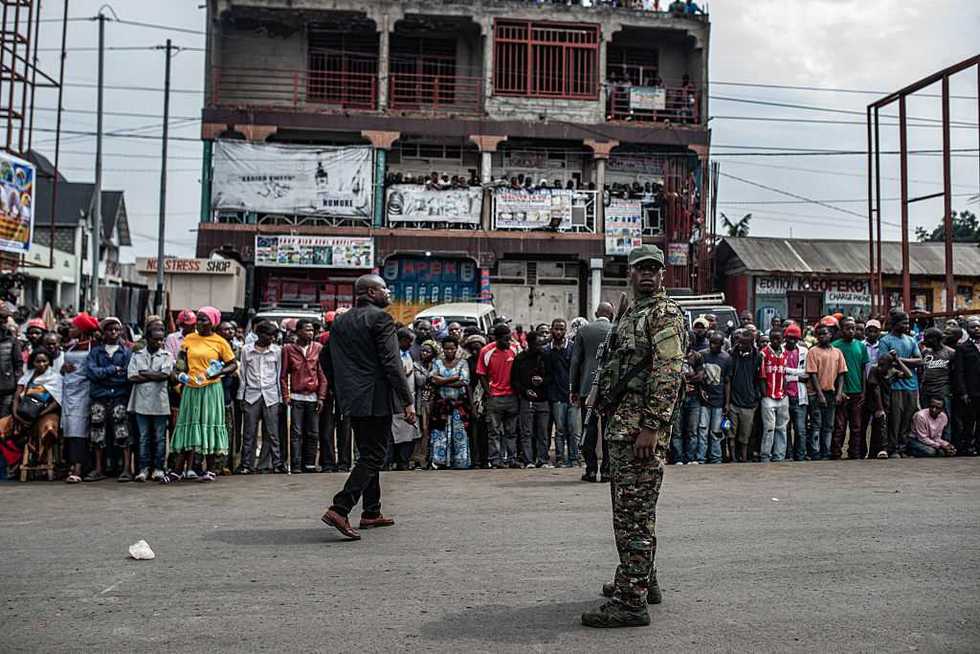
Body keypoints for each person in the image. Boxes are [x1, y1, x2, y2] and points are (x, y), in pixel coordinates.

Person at [582, 245, 685, 629]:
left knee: (633, 516)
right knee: (633, 511)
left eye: (653, 269)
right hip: (622, 425)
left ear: (662, 275)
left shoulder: (663, 314)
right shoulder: (632, 314)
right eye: (640, 268)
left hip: (639, 430)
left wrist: (652, 426)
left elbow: (668, 372)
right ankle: (643, 580)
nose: (647, 274)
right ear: (630, 273)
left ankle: (631, 602)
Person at [321, 274, 415, 541]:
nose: (389, 293)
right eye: (385, 288)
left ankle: (371, 512)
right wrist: (406, 400)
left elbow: (325, 359)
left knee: (367, 452)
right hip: (376, 397)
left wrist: (342, 388)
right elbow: (392, 363)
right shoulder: (381, 319)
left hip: (352, 397)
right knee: (375, 455)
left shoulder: (340, 321)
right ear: (371, 292)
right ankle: (340, 508)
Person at [165, 307, 238, 484]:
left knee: (209, 424)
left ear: (213, 322)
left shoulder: (220, 342)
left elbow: (232, 364)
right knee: (187, 425)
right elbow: (181, 362)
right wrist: (178, 374)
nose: (199, 323)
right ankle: (177, 470)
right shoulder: (189, 339)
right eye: (198, 319)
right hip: (191, 388)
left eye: (204, 320)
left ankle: (210, 469)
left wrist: (217, 373)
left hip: (211, 389)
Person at [84, 317, 133, 482]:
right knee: (97, 432)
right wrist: (113, 369)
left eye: (116, 330)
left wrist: (104, 375)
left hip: (119, 396)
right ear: (103, 332)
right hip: (99, 397)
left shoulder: (126, 352)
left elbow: (126, 376)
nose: (113, 332)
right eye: (109, 329)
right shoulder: (95, 352)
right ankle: (99, 468)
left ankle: (126, 469)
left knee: (123, 432)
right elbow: (91, 373)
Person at [570, 302, 614, 482]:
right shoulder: (616, 329)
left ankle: (590, 470)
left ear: (596, 313)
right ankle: (606, 471)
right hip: (610, 389)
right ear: (610, 315)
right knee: (608, 430)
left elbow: (575, 362)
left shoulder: (584, 330)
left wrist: (574, 387)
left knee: (588, 428)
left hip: (587, 387)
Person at [127, 324, 173, 482]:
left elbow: (165, 375)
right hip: (141, 402)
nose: (159, 343)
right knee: (143, 437)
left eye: (161, 340)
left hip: (160, 402)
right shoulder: (137, 354)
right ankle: (143, 468)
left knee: (160, 437)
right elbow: (132, 376)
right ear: (147, 339)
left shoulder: (167, 355)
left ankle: (159, 468)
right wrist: (155, 375)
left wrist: (144, 373)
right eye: (155, 340)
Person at [237, 321, 284, 474]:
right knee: (249, 433)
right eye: (268, 335)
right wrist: (241, 396)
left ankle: (273, 464)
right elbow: (242, 375)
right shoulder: (246, 351)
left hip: (271, 395)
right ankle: (246, 465)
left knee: (272, 433)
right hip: (251, 394)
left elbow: (278, 376)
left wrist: (281, 397)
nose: (271, 338)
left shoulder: (277, 351)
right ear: (259, 334)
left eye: (273, 335)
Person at [281, 318, 327, 473]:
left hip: (313, 396)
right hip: (296, 396)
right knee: (296, 432)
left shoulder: (318, 348)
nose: (311, 333)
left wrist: (321, 397)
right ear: (298, 331)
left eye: (312, 330)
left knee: (313, 432)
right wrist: (286, 396)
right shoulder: (288, 349)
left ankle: (310, 463)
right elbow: (283, 375)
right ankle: (295, 464)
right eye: (307, 330)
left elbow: (322, 374)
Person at [12, 348, 61, 479]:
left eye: (44, 361)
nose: (41, 364)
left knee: (48, 429)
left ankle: (40, 457)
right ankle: (14, 463)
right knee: (3, 427)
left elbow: (57, 402)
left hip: (46, 413)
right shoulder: (27, 376)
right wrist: (15, 413)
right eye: (37, 361)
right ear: (32, 363)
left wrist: (39, 414)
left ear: (49, 362)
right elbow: (17, 396)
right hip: (23, 413)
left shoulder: (55, 378)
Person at [878, 311, 922, 458]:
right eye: (904, 323)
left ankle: (903, 447)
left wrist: (899, 359)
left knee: (908, 418)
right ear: (895, 324)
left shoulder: (911, 340)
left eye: (908, 323)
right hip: (895, 385)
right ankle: (894, 448)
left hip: (912, 385)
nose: (907, 326)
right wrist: (906, 362)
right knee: (895, 419)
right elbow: (885, 362)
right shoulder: (886, 340)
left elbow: (919, 361)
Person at [60, 313, 97, 483]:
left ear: (82, 330)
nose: (70, 329)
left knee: (79, 430)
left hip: (83, 393)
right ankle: (69, 464)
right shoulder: (71, 347)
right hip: (68, 393)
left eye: (74, 327)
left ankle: (78, 468)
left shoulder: (93, 347)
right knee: (68, 430)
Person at [477, 324, 520, 469]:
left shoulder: (515, 349)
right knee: (494, 431)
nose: (508, 342)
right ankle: (495, 460)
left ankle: (511, 458)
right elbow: (481, 374)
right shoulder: (486, 351)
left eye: (509, 339)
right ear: (497, 338)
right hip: (494, 397)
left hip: (512, 396)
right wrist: (488, 392)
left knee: (511, 431)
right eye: (505, 340)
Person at [805, 324, 847, 461]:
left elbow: (841, 374)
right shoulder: (813, 352)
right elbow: (813, 374)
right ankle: (815, 452)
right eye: (820, 334)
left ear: (831, 335)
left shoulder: (837, 352)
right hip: (816, 393)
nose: (823, 336)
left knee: (829, 425)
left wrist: (839, 393)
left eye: (825, 333)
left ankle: (826, 451)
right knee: (816, 424)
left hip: (831, 392)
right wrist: (820, 395)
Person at [428, 336, 470, 469]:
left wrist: (442, 380)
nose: (449, 351)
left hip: (457, 404)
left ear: (457, 349)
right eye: (446, 349)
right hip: (442, 405)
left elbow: (464, 381)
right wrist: (452, 378)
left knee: (459, 434)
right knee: (440, 434)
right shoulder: (437, 362)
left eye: (452, 348)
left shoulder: (463, 362)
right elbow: (433, 380)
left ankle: (459, 462)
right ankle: (439, 461)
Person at [831, 318, 870, 460]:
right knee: (840, 426)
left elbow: (863, 370)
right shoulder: (835, 346)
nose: (851, 331)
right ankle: (836, 452)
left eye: (853, 328)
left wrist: (863, 392)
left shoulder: (861, 346)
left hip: (857, 392)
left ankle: (854, 453)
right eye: (848, 328)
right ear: (841, 330)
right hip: (841, 392)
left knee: (857, 426)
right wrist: (837, 391)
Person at [511, 331, 551, 468]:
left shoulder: (546, 357)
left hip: (543, 399)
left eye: (541, 343)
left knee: (543, 432)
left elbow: (552, 378)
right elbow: (514, 381)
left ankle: (542, 459)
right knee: (526, 432)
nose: (539, 346)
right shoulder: (520, 359)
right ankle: (528, 460)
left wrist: (542, 381)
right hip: (526, 400)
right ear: (529, 343)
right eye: (536, 343)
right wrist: (525, 391)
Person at [544, 318, 579, 468]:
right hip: (556, 395)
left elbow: (578, 370)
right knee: (559, 429)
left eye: (561, 329)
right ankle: (559, 458)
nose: (558, 332)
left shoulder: (572, 348)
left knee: (572, 428)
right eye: (556, 329)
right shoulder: (547, 350)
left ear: (565, 331)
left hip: (571, 394)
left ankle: (574, 458)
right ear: (552, 329)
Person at [867, 353, 913, 459]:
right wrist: (880, 408)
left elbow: (909, 375)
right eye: (879, 364)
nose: (880, 367)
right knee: (880, 424)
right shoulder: (874, 370)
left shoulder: (893, 372)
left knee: (885, 425)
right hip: (875, 402)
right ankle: (882, 449)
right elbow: (876, 389)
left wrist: (898, 360)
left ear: (889, 365)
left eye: (882, 365)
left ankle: (883, 450)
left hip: (887, 400)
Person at [726, 329, 762, 463]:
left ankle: (744, 457)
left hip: (749, 402)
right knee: (731, 432)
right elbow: (728, 380)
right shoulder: (732, 356)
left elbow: (758, 379)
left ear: (751, 344)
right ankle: (733, 457)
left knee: (745, 434)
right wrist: (727, 403)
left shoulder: (757, 357)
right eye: (739, 343)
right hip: (734, 402)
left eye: (743, 343)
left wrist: (756, 399)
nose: (740, 345)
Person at [699, 332, 731, 464]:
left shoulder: (726, 358)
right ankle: (701, 458)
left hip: (719, 400)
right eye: (710, 342)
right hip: (704, 400)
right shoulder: (702, 355)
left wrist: (727, 403)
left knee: (716, 432)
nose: (712, 345)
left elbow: (728, 382)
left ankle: (715, 458)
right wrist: (701, 390)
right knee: (702, 430)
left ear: (721, 344)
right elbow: (698, 374)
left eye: (715, 343)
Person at [759, 327, 789, 463]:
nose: (776, 341)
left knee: (782, 428)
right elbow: (761, 377)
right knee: (769, 428)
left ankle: (779, 455)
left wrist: (785, 392)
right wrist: (765, 395)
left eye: (778, 338)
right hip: (768, 397)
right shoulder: (763, 354)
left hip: (782, 396)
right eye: (773, 338)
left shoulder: (785, 354)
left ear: (783, 339)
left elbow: (786, 375)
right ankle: (765, 455)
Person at [952, 318, 980, 456]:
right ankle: (967, 446)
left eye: (978, 327)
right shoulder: (963, 348)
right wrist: (963, 392)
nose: (977, 329)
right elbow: (959, 372)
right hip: (971, 391)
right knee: (969, 420)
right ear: (968, 330)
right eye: (973, 327)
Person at [671, 350, 705, 464]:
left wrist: (684, 379)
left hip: (694, 397)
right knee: (677, 431)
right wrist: (686, 378)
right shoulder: (674, 354)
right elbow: (672, 376)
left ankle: (690, 458)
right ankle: (678, 458)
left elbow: (700, 376)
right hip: (678, 398)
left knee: (692, 430)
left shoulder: (697, 356)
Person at [782, 324, 809, 462]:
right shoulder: (780, 351)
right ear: (785, 338)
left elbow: (807, 373)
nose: (792, 341)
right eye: (789, 338)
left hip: (800, 396)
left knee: (800, 430)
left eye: (795, 338)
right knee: (785, 428)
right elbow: (780, 373)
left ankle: (800, 455)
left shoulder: (804, 351)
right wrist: (797, 376)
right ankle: (788, 454)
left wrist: (788, 371)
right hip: (783, 396)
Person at [0, 314, 23, 418]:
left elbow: (18, 365)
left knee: (4, 420)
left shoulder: (12, 340)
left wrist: (18, 389)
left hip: (8, 388)